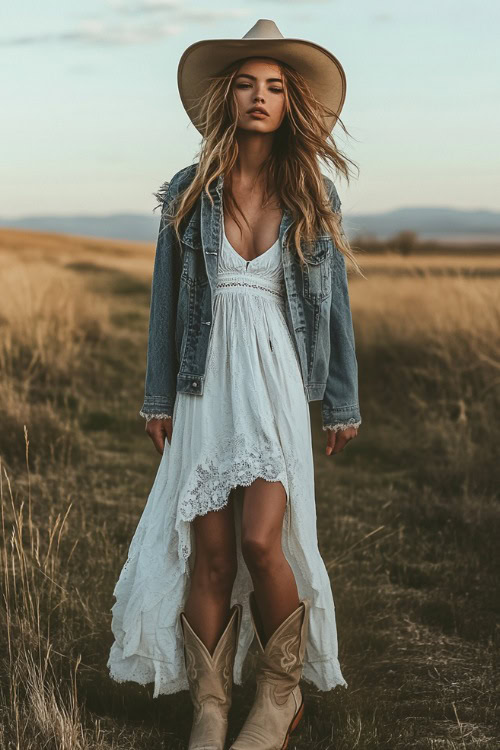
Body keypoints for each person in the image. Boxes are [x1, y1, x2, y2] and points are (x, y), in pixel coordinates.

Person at [107, 18, 363, 750]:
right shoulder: (190, 193)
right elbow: (166, 303)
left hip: (276, 382)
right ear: (228, 97)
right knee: (210, 551)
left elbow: (334, 308)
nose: (260, 97)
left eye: (275, 87)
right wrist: (157, 396)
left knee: (260, 541)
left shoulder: (313, 194)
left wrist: (340, 402)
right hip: (202, 382)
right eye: (248, 84)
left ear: (291, 104)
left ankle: (279, 699)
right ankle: (211, 706)